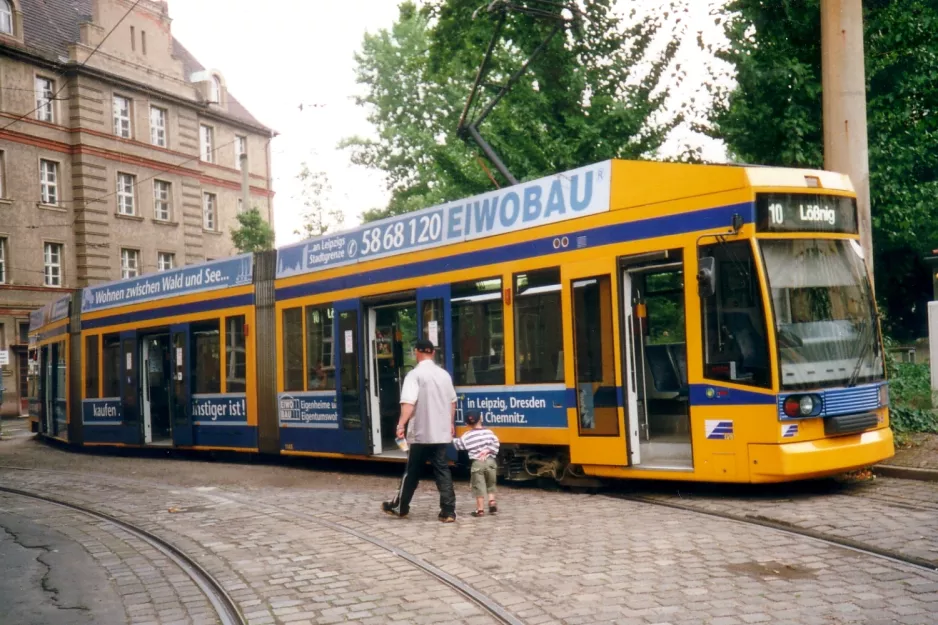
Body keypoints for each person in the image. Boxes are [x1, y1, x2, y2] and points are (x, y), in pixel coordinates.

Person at [382, 338, 458, 522]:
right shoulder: (444, 374)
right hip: (440, 432)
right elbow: (452, 402)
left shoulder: (414, 375)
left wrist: (401, 424)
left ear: (416, 352)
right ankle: (448, 511)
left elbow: (408, 403)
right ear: (432, 353)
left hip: (420, 432)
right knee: (442, 469)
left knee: (412, 471)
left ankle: (401, 507)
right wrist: (450, 423)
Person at [453, 412, 500, 517]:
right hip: (490, 461)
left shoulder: (467, 436)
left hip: (477, 463)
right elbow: (496, 443)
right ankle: (492, 501)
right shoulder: (489, 432)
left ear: (466, 423)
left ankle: (480, 510)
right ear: (481, 418)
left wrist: (450, 439)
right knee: (491, 483)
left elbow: (459, 445)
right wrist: (488, 450)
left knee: (478, 486)